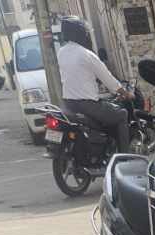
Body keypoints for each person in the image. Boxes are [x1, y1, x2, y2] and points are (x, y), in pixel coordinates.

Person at [57, 17, 129, 152]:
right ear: (80, 33)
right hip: (87, 105)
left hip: (68, 103)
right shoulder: (86, 54)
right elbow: (107, 78)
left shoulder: (61, 52)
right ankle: (125, 157)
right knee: (122, 115)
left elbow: (77, 74)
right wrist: (124, 92)